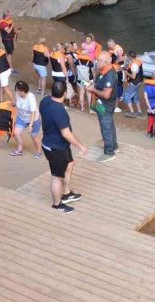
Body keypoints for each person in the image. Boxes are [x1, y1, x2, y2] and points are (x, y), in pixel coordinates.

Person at [39, 81, 88, 213]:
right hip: (55, 148)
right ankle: (57, 204)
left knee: (70, 164)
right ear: (65, 93)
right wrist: (81, 146)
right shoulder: (59, 111)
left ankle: (66, 193)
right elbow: (66, 133)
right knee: (57, 176)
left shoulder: (45, 101)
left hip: (58, 145)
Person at [92, 51, 119, 161]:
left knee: (105, 126)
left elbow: (106, 94)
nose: (96, 62)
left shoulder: (109, 74)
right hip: (100, 103)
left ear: (107, 62)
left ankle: (109, 152)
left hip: (106, 104)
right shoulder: (103, 71)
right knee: (109, 124)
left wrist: (92, 90)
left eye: (99, 60)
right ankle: (113, 145)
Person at [12, 81, 42, 158]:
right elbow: (16, 101)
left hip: (34, 119)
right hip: (22, 118)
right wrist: (12, 103)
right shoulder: (17, 94)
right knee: (16, 133)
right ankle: (19, 149)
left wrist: (31, 124)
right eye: (17, 90)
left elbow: (33, 112)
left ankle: (39, 151)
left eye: (20, 91)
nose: (18, 92)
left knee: (34, 136)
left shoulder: (30, 97)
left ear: (25, 90)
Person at [122, 51, 143, 117]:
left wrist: (126, 73)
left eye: (128, 56)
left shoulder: (134, 65)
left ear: (130, 57)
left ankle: (132, 113)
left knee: (126, 96)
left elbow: (133, 76)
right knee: (135, 96)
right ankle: (139, 112)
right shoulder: (138, 61)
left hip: (134, 83)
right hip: (138, 82)